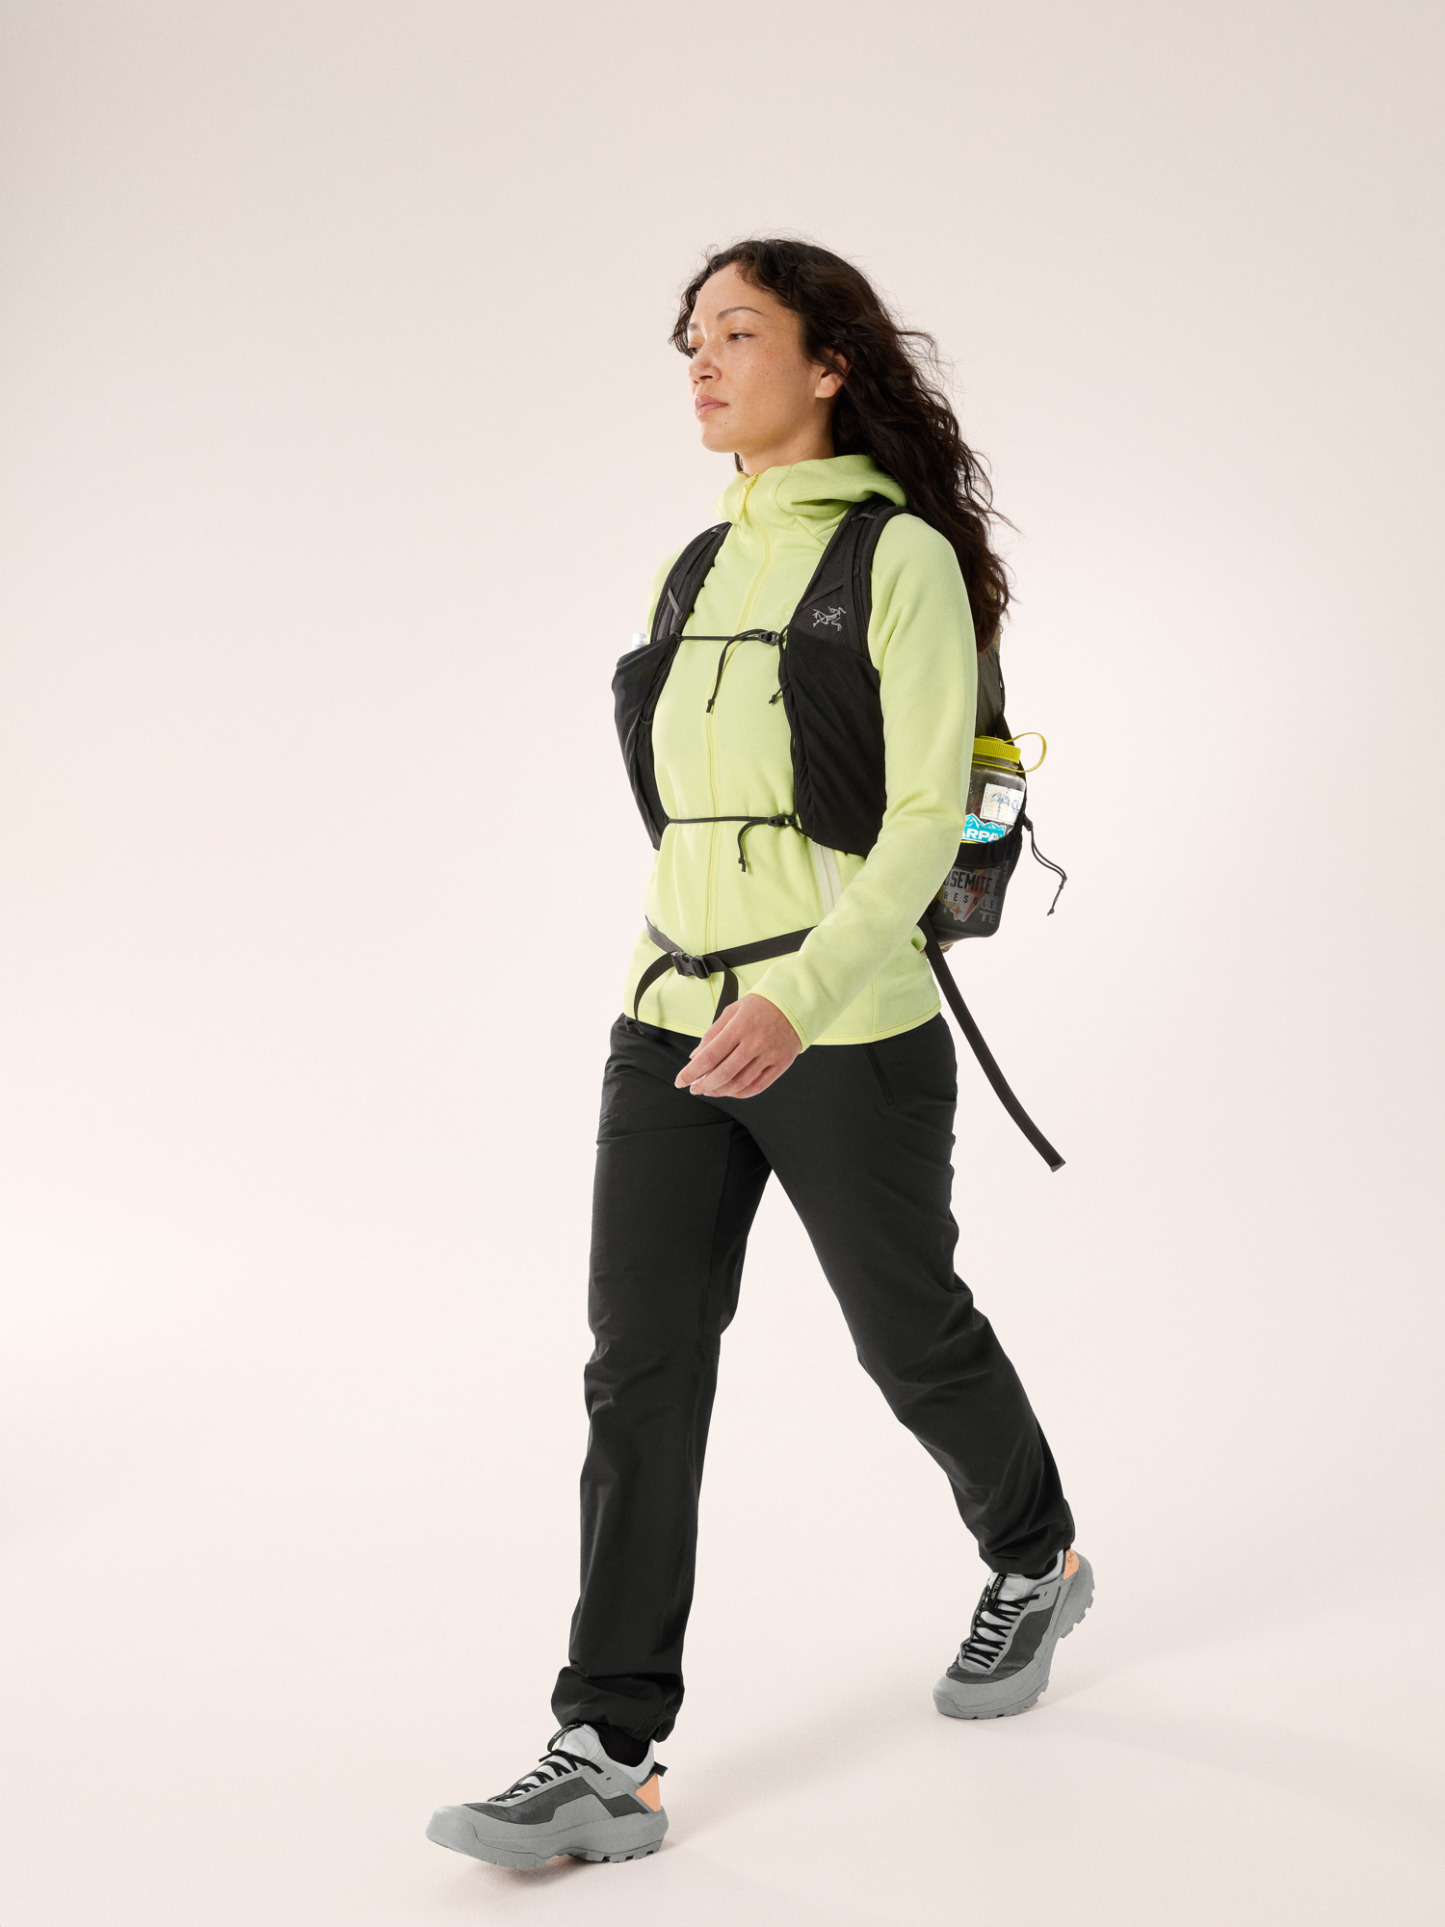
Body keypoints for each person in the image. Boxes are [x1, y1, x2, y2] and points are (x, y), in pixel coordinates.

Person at [427, 237, 1091, 1872]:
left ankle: (1036, 1560)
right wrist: (698, 971)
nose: (703, 363)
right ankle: (606, 1748)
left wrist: (796, 991)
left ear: (828, 362)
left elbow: (925, 817)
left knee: (906, 1336)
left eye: (737, 331)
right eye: (690, 340)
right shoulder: (695, 564)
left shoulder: (901, 559)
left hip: (843, 1025)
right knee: (638, 1366)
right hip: (667, 1017)